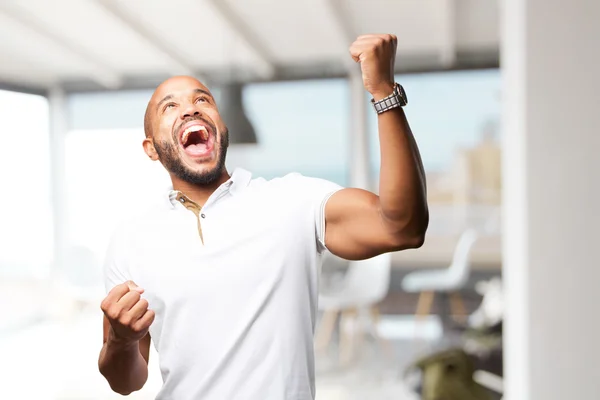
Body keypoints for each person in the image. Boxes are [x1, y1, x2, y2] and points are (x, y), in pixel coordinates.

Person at [98, 34, 429, 400]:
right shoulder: (131, 240)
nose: (190, 109)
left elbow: (403, 227)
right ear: (151, 148)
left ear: (222, 130)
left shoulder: (292, 201)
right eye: (169, 107)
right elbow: (125, 382)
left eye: (202, 99)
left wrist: (384, 93)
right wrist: (121, 340)